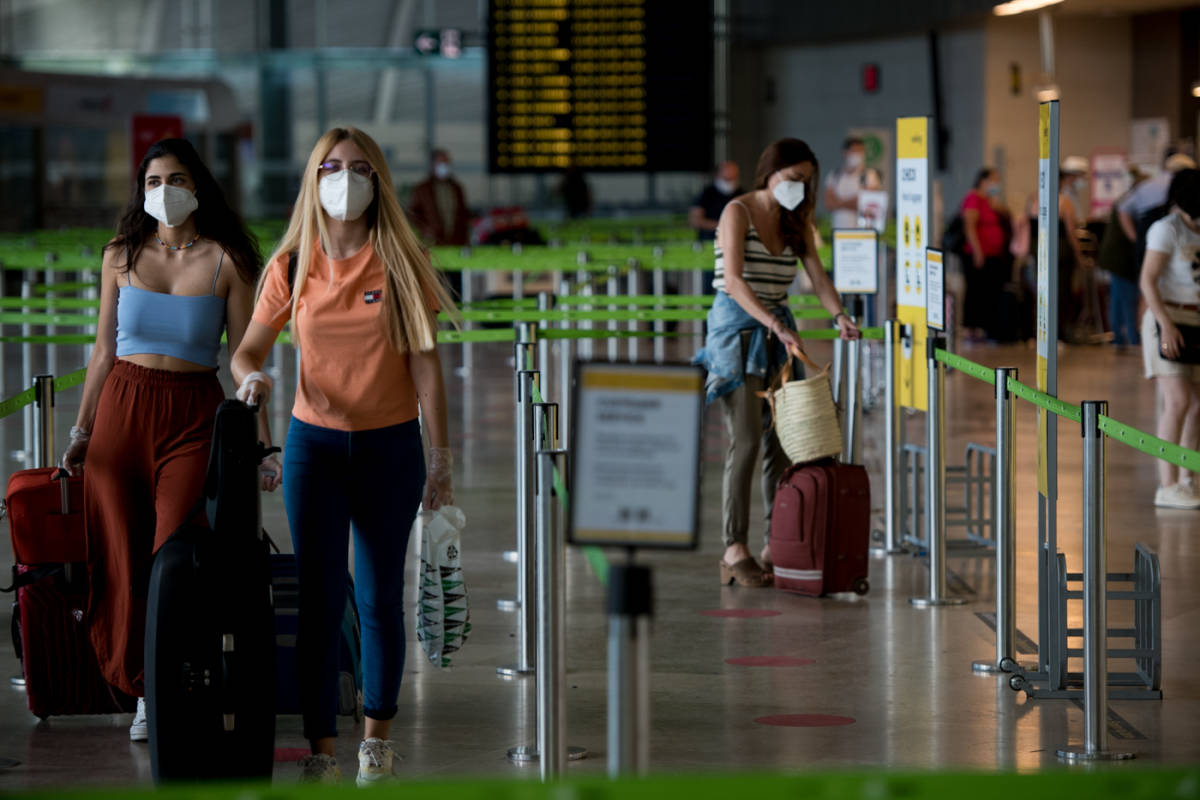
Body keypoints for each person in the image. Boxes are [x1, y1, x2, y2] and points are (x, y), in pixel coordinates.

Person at [231, 127, 457, 784]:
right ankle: (323, 748)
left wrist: (440, 459)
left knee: (382, 597)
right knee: (322, 599)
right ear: (312, 179)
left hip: (390, 449)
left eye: (359, 167)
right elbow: (247, 348)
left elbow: (427, 370)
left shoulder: (402, 266)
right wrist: (251, 378)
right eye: (330, 166)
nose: (344, 178)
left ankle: (376, 741)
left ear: (379, 179)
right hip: (314, 450)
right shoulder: (291, 266)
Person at [59, 138, 275, 742]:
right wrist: (81, 432)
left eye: (176, 178)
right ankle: (142, 685)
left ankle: (169, 676)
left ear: (198, 185)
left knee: (174, 552)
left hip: (193, 414)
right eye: (153, 181)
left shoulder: (227, 260)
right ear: (142, 190)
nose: (164, 191)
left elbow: (243, 357)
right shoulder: (120, 255)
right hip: (122, 410)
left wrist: (264, 439)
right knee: (121, 556)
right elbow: (102, 351)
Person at [695, 138, 860, 588]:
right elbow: (732, 280)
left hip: (776, 333)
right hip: (736, 332)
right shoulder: (738, 212)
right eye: (793, 178)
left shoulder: (796, 220)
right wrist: (773, 321)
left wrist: (839, 315)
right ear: (771, 171)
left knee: (780, 445)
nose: (799, 188)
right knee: (745, 440)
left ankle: (774, 544)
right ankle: (734, 546)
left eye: (806, 181)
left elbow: (817, 275)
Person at [1138, 168, 1200, 510]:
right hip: (1168, 319)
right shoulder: (1165, 230)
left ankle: (1188, 479)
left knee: (1196, 407)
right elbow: (1148, 280)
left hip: (1194, 319)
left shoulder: (1196, 228)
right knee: (1177, 402)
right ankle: (1167, 484)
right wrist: (1165, 325)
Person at [407, 148, 470, 297]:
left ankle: (457, 320)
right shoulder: (422, 189)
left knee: (457, 292)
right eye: (441, 161)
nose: (445, 165)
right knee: (433, 293)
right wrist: (426, 230)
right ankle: (433, 320)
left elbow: (464, 216)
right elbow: (412, 214)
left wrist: (466, 241)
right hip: (434, 247)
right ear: (433, 164)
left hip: (455, 246)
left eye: (447, 162)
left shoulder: (457, 188)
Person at [960, 168, 1013, 341]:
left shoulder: (990, 201)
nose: (997, 185)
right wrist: (977, 252)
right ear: (983, 181)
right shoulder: (973, 198)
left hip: (994, 255)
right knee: (976, 291)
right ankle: (972, 328)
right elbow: (970, 226)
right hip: (978, 254)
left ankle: (987, 327)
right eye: (994, 181)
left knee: (990, 293)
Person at [1119, 151, 1196, 268]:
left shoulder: (1148, 184)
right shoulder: (1181, 186)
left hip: (1145, 236)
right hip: (1168, 238)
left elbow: (1123, 209)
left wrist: (1135, 239)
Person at [1097, 170, 1147, 347]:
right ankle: (1131, 337)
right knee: (1127, 299)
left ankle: (1120, 337)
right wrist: (1139, 244)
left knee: (1119, 298)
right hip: (1121, 259)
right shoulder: (1132, 202)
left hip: (1114, 257)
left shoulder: (1126, 199)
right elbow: (1130, 230)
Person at [690, 161, 743, 294]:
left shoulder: (741, 194)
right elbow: (695, 220)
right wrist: (722, 226)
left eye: (733, 176)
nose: (730, 179)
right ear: (718, 174)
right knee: (709, 284)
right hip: (710, 246)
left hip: (736, 246)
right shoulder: (706, 194)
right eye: (727, 176)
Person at [823, 137, 882, 231]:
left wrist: (839, 202)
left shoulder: (869, 175)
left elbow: (868, 204)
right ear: (845, 152)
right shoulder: (834, 175)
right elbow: (829, 204)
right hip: (838, 230)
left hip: (863, 231)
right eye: (855, 151)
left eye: (861, 152)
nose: (858, 155)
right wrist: (855, 200)